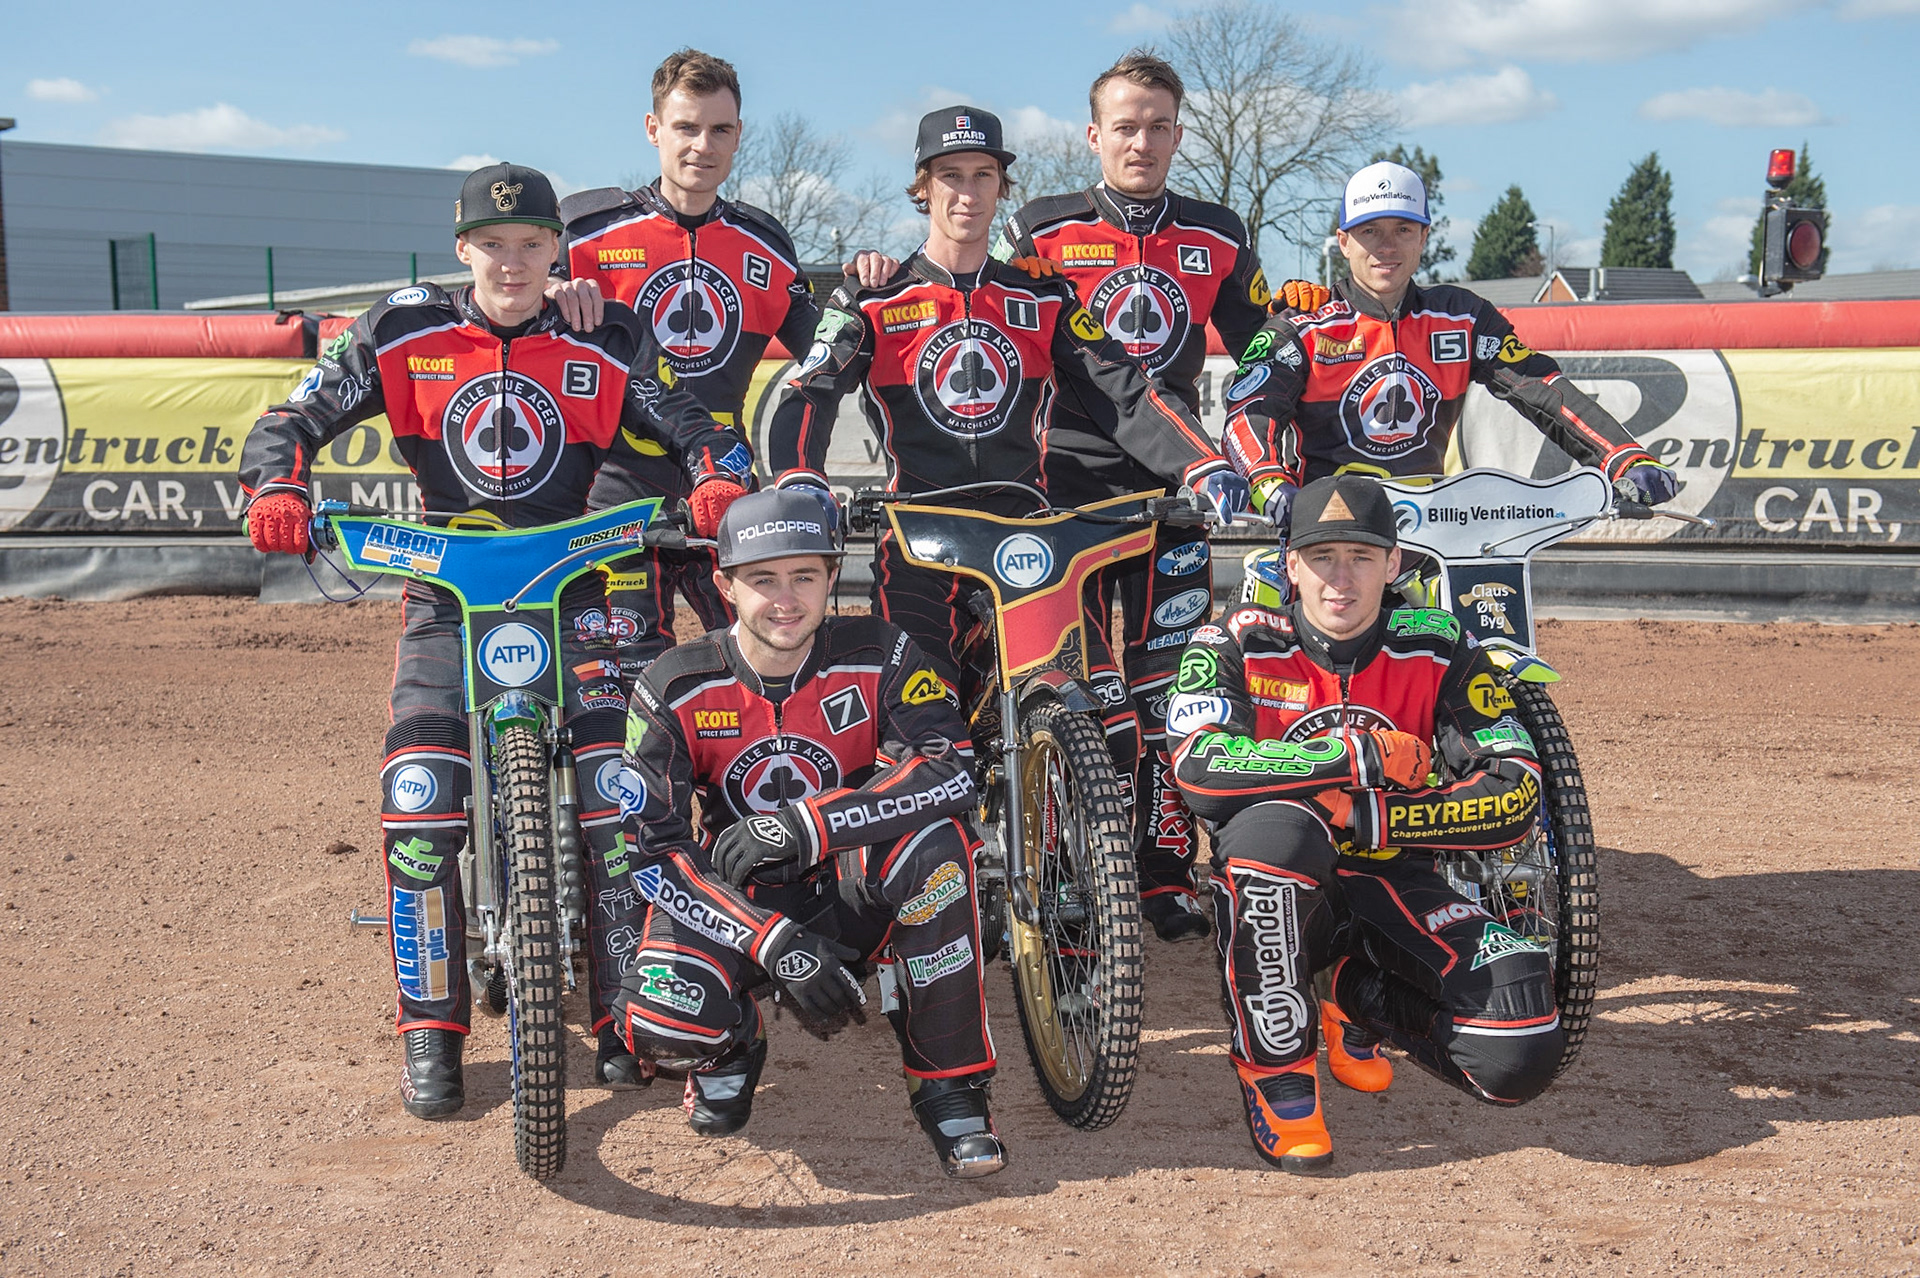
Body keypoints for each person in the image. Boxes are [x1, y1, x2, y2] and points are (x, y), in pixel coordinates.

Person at [238, 163, 751, 1118]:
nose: (512, 263)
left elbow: (697, 423)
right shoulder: (401, 330)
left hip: (579, 589)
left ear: (558, 248)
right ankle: (430, 1034)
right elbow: (292, 416)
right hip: (445, 593)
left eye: (532, 244)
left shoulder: (605, 332)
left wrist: (717, 476)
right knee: (419, 797)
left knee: (621, 793)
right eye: (492, 245)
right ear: (461, 247)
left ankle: (621, 1016)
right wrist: (277, 484)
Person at [764, 104, 1247, 702]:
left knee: (1091, 710)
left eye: (983, 175)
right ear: (923, 187)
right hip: (919, 541)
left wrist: (1203, 463)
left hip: (1026, 540)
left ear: (1002, 187)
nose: (968, 194)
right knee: (924, 722)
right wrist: (800, 477)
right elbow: (809, 390)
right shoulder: (871, 297)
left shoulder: (1045, 295)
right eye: (951, 176)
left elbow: (1124, 388)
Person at [1168, 475, 1563, 1173]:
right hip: (1286, 887)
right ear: (1290, 566)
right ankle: (1279, 1077)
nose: (1341, 579)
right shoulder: (1234, 640)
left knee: (1520, 1045)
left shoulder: (1440, 644)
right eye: (1322, 557)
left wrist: (1367, 813)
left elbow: (1515, 790)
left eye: (1361, 556)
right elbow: (1199, 768)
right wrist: (1355, 754)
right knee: (1274, 837)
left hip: (1399, 883)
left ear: (1394, 563)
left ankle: (1353, 993)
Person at [609, 489, 1005, 1178]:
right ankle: (734, 1042)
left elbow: (952, 771)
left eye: (805, 576)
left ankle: (950, 1088)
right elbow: (653, 855)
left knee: (940, 849)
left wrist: (811, 824)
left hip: (852, 887)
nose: (786, 600)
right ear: (725, 586)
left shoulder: (880, 650)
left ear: (832, 577)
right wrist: (772, 941)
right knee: (662, 1023)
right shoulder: (671, 684)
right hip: (739, 903)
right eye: (763, 579)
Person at [994, 50, 1272, 944]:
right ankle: (1069, 868)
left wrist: (1299, 323)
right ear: (1093, 135)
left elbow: (1262, 349)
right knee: (1076, 692)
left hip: (1177, 493)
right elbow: (984, 318)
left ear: (1179, 135)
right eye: (1125, 126)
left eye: (1158, 127)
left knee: (1169, 690)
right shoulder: (1038, 228)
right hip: (1061, 495)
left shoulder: (1219, 232)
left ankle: (1162, 873)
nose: (1141, 142)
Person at [1220, 161, 1679, 523]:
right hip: (1327, 530)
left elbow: (1542, 389)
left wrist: (1623, 457)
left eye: (1403, 230)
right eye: (1369, 231)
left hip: (1434, 533)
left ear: (1424, 237)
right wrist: (1269, 484)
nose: (1386, 247)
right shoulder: (1302, 324)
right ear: (1343, 242)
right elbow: (1248, 414)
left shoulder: (1462, 317)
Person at [543, 49, 802, 683]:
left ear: (738, 135)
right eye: (686, 127)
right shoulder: (584, 228)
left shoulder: (767, 242)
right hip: (613, 482)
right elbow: (507, 308)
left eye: (719, 129)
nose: (702, 146)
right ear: (653, 129)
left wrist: (873, 283)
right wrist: (546, 293)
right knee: (623, 676)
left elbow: (827, 349)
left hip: (725, 483)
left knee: (766, 661)